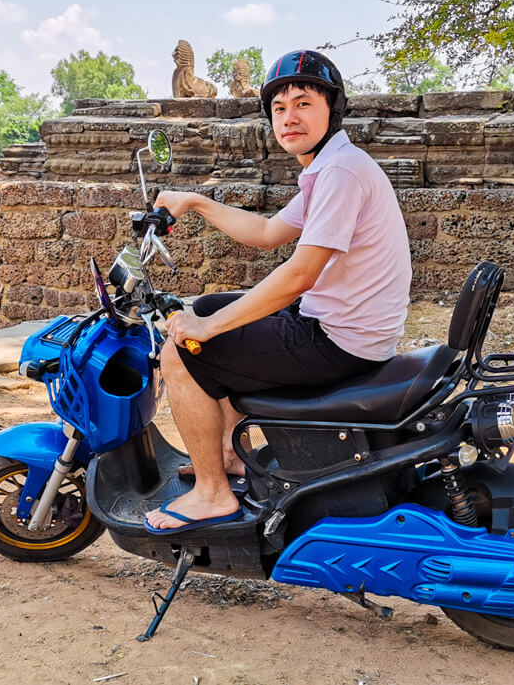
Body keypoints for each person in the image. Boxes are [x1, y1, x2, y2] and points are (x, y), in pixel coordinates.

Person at [143, 50, 413, 533]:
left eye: (303, 103)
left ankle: (211, 495)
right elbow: (268, 231)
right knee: (206, 307)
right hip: (342, 329)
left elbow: (298, 276)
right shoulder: (328, 167)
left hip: (338, 340)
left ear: (332, 109)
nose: (290, 118)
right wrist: (197, 201)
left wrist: (206, 329)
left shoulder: (341, 173)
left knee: (181, 353)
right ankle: (229, 456)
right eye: (280, 108)